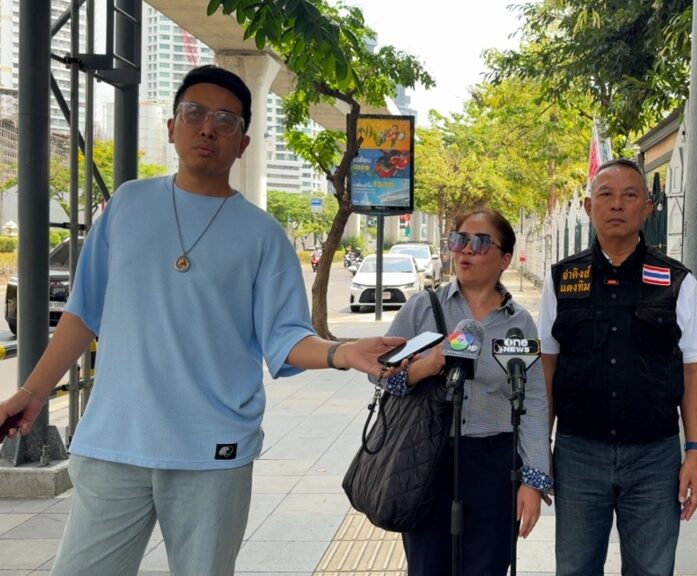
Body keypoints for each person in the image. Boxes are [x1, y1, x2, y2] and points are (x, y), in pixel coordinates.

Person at [0, 65, 404, 576]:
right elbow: (83, 313)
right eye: (194, 114)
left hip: (213, 452)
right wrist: (33, 392)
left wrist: (343, 353)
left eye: (225, 120)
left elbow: (285, 338)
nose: (208, 128)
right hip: (114, 443)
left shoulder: (263, 236)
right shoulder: (126, 205)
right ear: (173, 127)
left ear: (243, 143)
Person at [539, 159, 697, 576]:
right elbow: (547, 368)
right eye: (606, 195)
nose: (617, 205)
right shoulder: (562, 279)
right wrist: (540, 450)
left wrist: (695, 453)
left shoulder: (677, 281)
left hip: (655, 458)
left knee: (651, 569)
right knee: (575, 569)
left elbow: (691, 371)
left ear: (647, 207)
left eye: (630, 195)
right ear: (588, 206)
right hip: (579, 454)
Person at [381, 209, 552, 575]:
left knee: (487, 565)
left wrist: (534, 480)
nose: (467, 250)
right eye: (460, 240)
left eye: (481, 242)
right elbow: (381, 375)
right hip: (427, 456)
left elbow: (534, 400)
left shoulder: (519, 322)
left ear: (505, 259)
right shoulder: (422, 308)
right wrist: (427, 365)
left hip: (495, 463)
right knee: (427, 565)